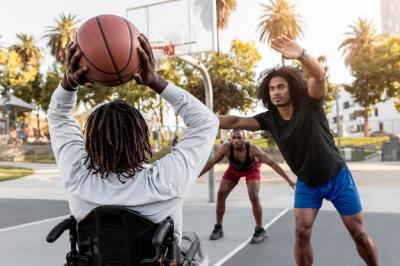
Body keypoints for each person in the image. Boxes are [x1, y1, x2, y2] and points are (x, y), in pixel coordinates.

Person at [47, 34, 219, 265]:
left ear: (90, 144)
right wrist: (155, 81)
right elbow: (206, 122)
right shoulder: (165, 182)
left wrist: (69, 82)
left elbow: (58, 117)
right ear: (142, 141)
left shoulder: (77, 178)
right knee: (191, 244)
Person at [218, 36, 378, 266]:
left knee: (359, 234)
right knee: (301, 232)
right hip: (307, 183)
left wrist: (302, 55)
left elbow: (318, 76)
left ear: (291, 88)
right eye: (272, 88)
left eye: (281, 86)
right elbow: (233, 121)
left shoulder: (310, 103)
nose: (276, 92)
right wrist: (204, 119)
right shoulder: (269, 118)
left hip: (337, 177)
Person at [199, 129, 294, 244]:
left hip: (251, 171)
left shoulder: (252, 149)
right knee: (221, 194)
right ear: (230, 139)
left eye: (239, 137)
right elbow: (211, 163)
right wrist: (196, 175)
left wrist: (289, 180)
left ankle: (259, 230)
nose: (236, 140)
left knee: (253, 195)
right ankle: (218, 227)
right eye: (234, 138)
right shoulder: (226, 148)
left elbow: (272, 163)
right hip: (234, 171)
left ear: (244, 138)